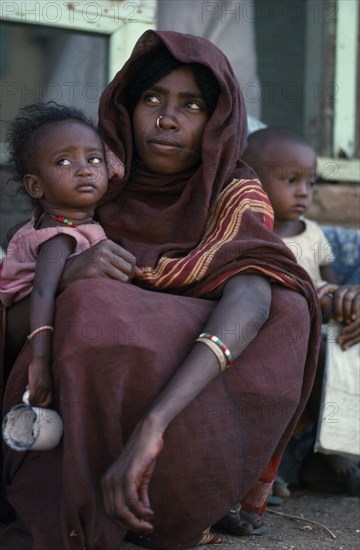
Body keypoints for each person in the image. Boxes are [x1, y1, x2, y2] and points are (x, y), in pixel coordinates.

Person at [0, 31, 320, 549]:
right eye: (152, 99)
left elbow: (254, 301)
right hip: (76, 413)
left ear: (218, 121)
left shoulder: (232, 194)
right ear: (126, 108)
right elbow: (15, 327)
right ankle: (77, 497)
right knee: (90, 303)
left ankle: (192, 491)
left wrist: (155, 424)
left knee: (285, 303)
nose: (166, 119)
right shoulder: (91, 182)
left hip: (182, 420)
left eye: (191, 105)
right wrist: (68, 278)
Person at [242, 127, 360, 497]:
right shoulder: (253, 235)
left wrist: (346, 301)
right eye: (291, 181)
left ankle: (336, 439)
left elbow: (333, 282)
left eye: (310, 183)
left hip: (318, 324)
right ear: (253, 185)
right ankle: (274, 473)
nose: (303, 193)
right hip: (276, 330)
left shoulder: (315, 235)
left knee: (340, 343)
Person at [0, 102, 109, 407]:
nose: (84, 169)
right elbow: (43, 293)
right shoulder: (59, 238)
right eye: (63, 162)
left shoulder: (71, 221)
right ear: (36, 186)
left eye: (93, 158)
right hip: (35, 337)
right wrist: (40, 363)